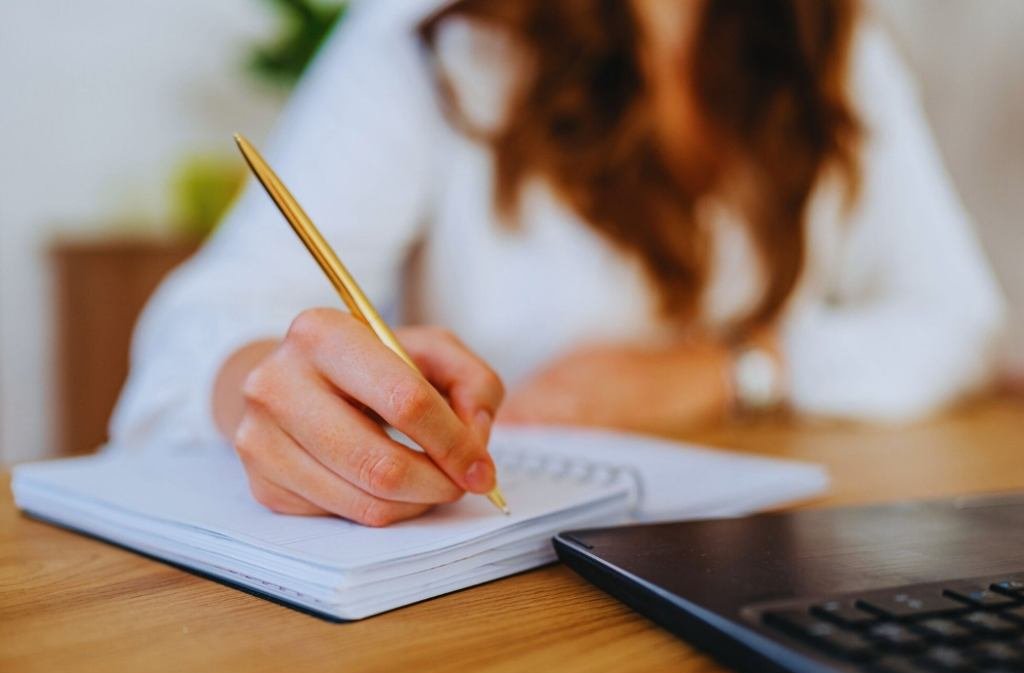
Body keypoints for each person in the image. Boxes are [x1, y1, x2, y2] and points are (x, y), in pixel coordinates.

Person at [111, 0, 1005, 526]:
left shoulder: (838, 48)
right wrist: (270, 393)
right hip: (511, 585)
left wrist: (729, 369)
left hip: (776, 536)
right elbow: (201, 328)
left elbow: (960, 318)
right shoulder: (435, 33)